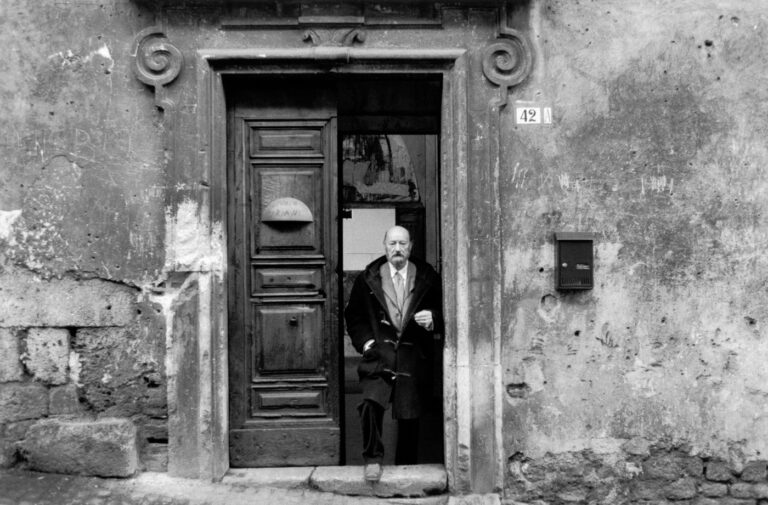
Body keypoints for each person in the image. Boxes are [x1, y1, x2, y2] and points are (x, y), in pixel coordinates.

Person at [344, 225, 443, 483]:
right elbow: (354, 317)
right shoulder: (368, 278)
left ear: (410, 246)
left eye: (402, 244)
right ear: (384, 246)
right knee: (370, 404)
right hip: (379, 355)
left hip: (413, 358)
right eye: (392, 244)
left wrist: (432, 318)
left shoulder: (427, 277)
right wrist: (366, 344)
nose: (397, 249)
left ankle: (406, 466)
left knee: (410, 414)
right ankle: (373, 459)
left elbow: (444, 310)